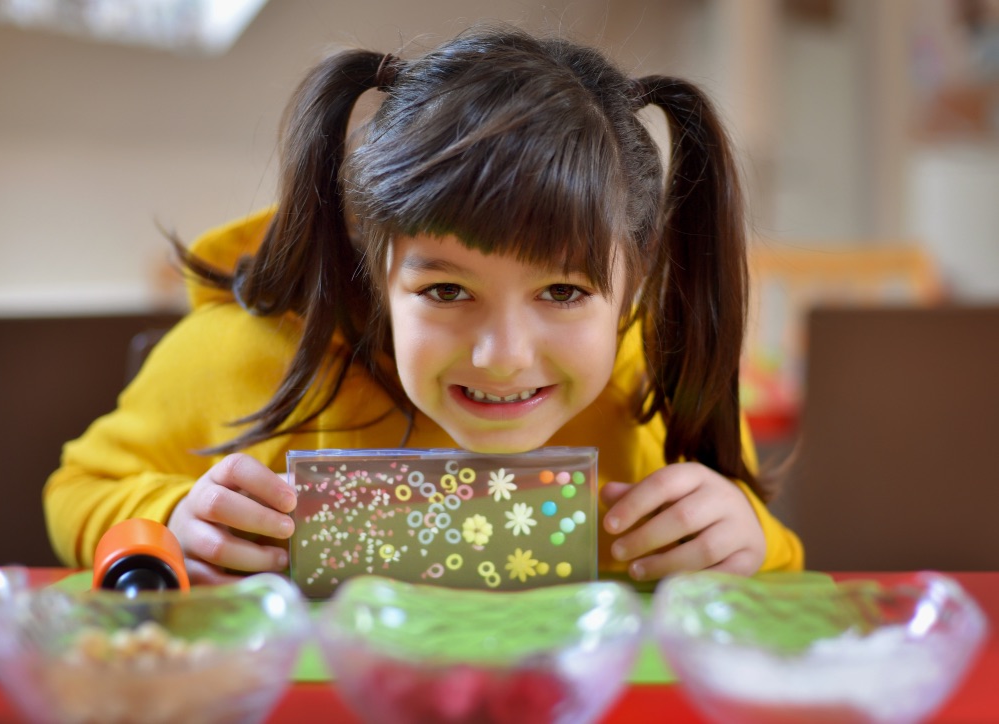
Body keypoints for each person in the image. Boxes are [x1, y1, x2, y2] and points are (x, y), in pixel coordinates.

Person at [44, 24, 804, 585]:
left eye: (563, 292)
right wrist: (172, 521)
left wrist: (750, 543)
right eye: (446, 291)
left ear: (632, 283)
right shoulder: (244, 354)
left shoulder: (654, 375)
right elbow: (80, 488)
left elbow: (770, 559)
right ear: (373, 270)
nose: (502, 354)